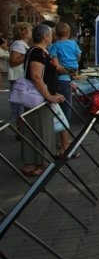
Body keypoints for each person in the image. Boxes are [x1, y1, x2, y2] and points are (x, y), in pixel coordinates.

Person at [20, 24, 65, 176]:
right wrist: (49, 96)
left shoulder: (40, 51)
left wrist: (53, 92)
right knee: (41, 129)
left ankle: (35, 162)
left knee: (39, 129)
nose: (52, 36)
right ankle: (41, 163)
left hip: (41, 96)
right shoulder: (37, 52)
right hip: (39, 98)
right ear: (45, 36)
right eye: (50, 34)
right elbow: (36, 76)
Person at [48, 23, 81, 155]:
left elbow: (55, 63)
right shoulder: (73, 43)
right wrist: (74, 65)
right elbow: (79, 55)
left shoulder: (54, 46)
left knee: (61, 111)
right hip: (67, 76)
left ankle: (63, 142)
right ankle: (64, 147)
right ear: (68, 32)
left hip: (61, 77)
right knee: (65, 113)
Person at [8, 22, 33, 131]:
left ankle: (21, 130)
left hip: (20, 78)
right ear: (23, 33)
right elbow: (13, 61)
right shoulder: (18, 44)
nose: (31, 32)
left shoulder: (22, 44)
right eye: (30, 30)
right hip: (18, 79)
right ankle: (21, 130)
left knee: (21, 106)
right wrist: (28, 55)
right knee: (20, 106)